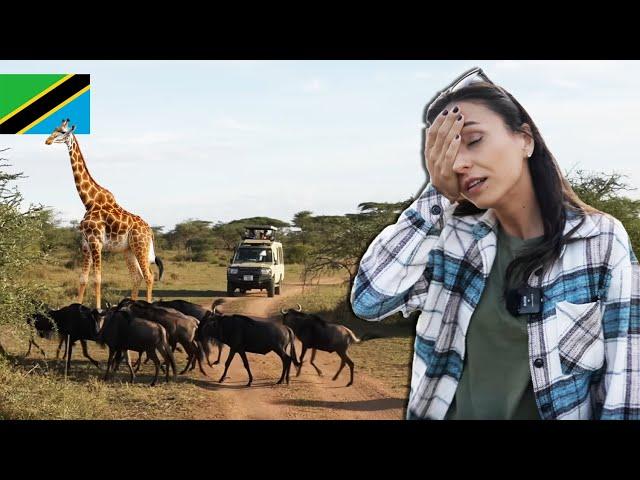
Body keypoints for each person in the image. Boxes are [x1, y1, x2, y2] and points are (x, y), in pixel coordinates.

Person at [350, 67, 640, 420]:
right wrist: (437, 195)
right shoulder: (449, 240)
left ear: (525, 140)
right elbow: (369, 300)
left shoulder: (599, 241)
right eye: (446, 153)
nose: (459, 163)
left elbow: (625, 384)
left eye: (473, 140)